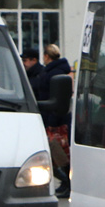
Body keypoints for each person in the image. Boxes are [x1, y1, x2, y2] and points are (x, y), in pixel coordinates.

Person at [40, 44, 72, 198]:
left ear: (47, 56)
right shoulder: (55, 71)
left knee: (60, 153)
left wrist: (52, 122)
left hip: (56, 119)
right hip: (55, 116)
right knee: (59, 152)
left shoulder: (55, 73)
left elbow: (56, 97)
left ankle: (68, 182)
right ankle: (66, 182)